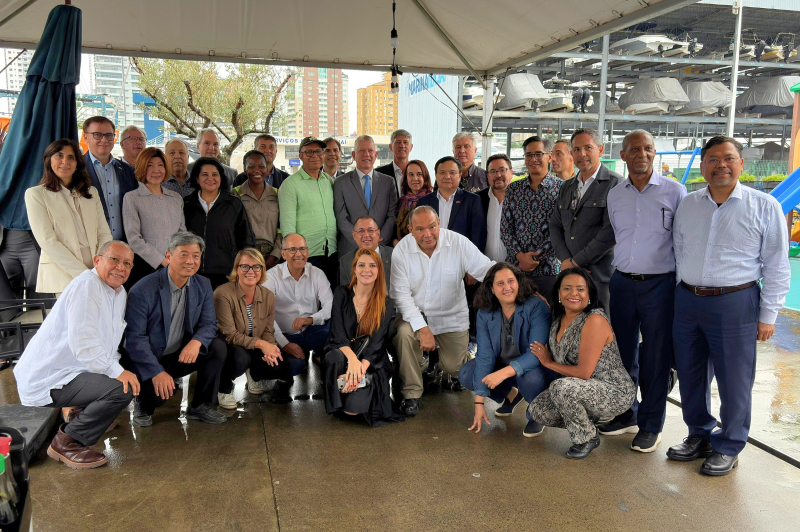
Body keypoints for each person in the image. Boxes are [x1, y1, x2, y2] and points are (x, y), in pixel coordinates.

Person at [668, 136, 790, 476]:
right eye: (713, 159)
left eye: (728, 158)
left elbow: (777, 264)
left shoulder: (764, 205)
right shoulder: (688, 204)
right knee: (690, 374)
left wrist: (768, 315)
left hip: (736, 302)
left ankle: (729, 444)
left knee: (734, 380)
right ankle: (699, 434)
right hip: (688, 299)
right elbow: (679, 251)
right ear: (703, 165)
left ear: (741, 163)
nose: (720, 165)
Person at [13, 241, 138, 469]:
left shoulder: (119, 293)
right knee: (121, 388)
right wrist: (118, 373)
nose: (121, 267)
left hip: (74, 370)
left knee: (123, 374)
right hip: (50, 376)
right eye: (114, 259)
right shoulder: (87, 286)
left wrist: (117, 370)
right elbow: (84, 343)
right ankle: (67, 443)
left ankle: (78, 412)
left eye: (127, 263)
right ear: (97, 260)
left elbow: (107, 345)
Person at [599, 130, 687, 452]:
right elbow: (619, 235)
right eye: (634, 149)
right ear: (623, 155)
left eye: (648, 148)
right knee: (622, 354)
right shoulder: (615, 195)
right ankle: (627, 414)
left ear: (654, 153)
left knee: (655, 356)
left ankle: (651, 425)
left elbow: (683, 240)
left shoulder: (675, 191)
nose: (642, 154)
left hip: (660, 285)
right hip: (622, 283)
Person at [390, 206, 494, 417]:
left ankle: (452, 364)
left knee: (456, 368)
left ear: (439, 223)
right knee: (403, 334)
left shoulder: (458, 242)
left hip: (451, 316)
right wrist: (422, 327)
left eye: (432, 227)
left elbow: (488, 270)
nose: (427, 234)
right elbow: (400, 295)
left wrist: (516, 284)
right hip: (415, 314)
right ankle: (411, 393)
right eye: (420, 229)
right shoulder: (401, 250)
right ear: (410, 230)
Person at [528, 268, 635, 459]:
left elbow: (584, 372)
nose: (573, 293)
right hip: (580, 389)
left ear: (589, 294)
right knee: (538, 410)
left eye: (580, 289)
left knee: (560, 387)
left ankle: (587, 437)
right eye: (567, 288)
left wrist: (548, 362)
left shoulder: (594, 320)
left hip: (613, 390)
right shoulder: (559, 318)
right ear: (559, 293)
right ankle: (588, 420)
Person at [123, 231, 227, 426]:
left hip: (180, 354)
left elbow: (209, 323)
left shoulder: (203, 284)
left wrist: (196, 342)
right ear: (169, 256)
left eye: (196, 255)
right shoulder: (142, 290)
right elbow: (135, 339)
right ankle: (142, 404)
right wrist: (156, 372)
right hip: (150, 358)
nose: (190, 261)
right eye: (183, 254)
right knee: (157, 398)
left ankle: (201, 405)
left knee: (217, 347)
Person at [459, 263, 550, 437]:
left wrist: (502, 373)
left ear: (519, 283)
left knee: (531, 379)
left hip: (531, 366)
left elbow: (536, 354)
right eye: (500, 283)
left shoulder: (536, 306)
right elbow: (485, 356)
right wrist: (479, 403)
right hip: (502, 364)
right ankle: (511, 395)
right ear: (491, 289)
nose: (507, 287)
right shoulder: (485, 312)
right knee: (466, 374)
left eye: (511, 281)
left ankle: (537, 413)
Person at [323, 248, 403, 426]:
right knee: (334, 356)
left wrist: (359, 370)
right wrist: (352, 360)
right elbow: (337, 333)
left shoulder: (386, 303)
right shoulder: (341, 293)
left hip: (371, 359)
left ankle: (356, 395)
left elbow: (377, 343)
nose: (367, 270)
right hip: (344, 351)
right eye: (361, 265)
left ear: (379, 271)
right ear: (354, 269)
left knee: (353, 410)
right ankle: (338, 400)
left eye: (372, 265)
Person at [25, 139, 113, 295]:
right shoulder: (36, 194)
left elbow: (104, 233)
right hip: (63, 273)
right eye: (59, 156)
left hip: (97, 269)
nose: (65, 161)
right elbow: (47, 241)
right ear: (49, 160)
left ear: (77, 163)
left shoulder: (91, 192)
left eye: (71, 157)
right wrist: (85, 275)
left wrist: (99, 267)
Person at [550, 128, 621, 312]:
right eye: (576, 149)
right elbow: (555, 225)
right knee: (572, 325)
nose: (582, 154)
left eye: (588, 148)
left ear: (600, 150)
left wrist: (576, 263)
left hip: (599, 277)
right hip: (570, 276)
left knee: (601, 324)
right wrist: (566, 260)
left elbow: (609, 233)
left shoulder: (615, 184)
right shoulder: (567, 187)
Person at [213, 248, 292, 408]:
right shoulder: (222, 293)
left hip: (254, 343)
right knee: (241, 359)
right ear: (237, 269)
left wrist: (271, 349)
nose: (251, 271)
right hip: (230, 346)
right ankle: (223, 387)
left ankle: (254, 375)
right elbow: (230, 335)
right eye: (245, 266)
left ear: (262, 270)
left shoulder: (268, 295)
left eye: (256, 267)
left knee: (281, 365)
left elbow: (268, 330)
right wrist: (262, 344)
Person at [264, 233, 334, 401]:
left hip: (310, 330)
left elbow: (330, 307)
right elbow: (265, 316)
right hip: (284, 334)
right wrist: (285, 344)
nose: (298, 254)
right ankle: (284, 378)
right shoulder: (271, 277)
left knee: (333, 328)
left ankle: (329, 374)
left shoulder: (317, 274)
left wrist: (311, 319)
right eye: (292, 249)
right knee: (294, 366)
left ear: (308, 252)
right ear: (283, 254)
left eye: (302, 249)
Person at [501, 136, 563, 305]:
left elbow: (562, 229)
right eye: (529, 155)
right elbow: (505, 229)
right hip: (516, 268)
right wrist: (520, 256)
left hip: (549, 269)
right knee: (517, 315)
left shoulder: (563, 188)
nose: (533, 159)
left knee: (550, 315)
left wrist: (535, 258)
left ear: (549, 156)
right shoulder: (513, 189)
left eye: (538, 154)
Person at [183, 157, 255, 289]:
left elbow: (246, 239)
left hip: (226, 274)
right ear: (197, 179)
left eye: (215, 174)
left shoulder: (234, 204)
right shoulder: (186, 204)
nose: (210, 178)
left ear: (221, 178)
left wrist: (243, 268)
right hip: (192, 272)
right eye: (205, 174)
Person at [122, 147, 186, 288]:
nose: (156, 170)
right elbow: (134, 239)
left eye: (160, 165)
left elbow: (182, 234)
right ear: (142, 168)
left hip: (174, 266)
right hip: (145, 266)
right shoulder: (132, 197)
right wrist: (162, 260)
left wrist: (177, 259)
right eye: (149, 165)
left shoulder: (175, 198)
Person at [278, 136, 338, 286]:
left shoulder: (328, 181)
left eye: (318, 151)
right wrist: (295, 256)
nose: (314, 156)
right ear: (300, 156)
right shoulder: (290, 184)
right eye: (309, 152)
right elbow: (287, 226)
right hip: (306, 255)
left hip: (331, 252)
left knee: (330, 296)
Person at [333, 135, 398, 255]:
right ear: (354, 155)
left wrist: (379, 238)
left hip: (381, 246)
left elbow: (392, 215)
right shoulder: (340, 182)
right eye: (361, 150)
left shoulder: (388, 182)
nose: (366, 154)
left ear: (376, 155)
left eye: (370, 150)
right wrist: (360, 240)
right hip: (351, 249)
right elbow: (341, 218)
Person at [82, 116, 137, 241]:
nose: (104, 140)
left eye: (109, 135)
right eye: (97, 135)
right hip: (91, 245)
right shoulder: (76, 170)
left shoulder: (128, 171)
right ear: (86, 137)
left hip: (124, 244)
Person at [417, 156, 486, 252]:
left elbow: (478, 236)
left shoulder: (472, 200)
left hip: (462, 256)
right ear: (436, 175)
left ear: (460, 175)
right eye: (442, 172)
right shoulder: (424, 202)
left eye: (452, 173)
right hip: (431, 256)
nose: (447, 176)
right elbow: (418, 233)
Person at [234, 150, 282, 269]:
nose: (257, 170)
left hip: (271, 256)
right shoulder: (235, 194)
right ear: (245, 170)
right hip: (245, 254)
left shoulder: (277, 194)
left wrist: (275, 255)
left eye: (261, 167)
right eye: (251, 167)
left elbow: (283, 228)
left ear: (266, 169)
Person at [478, 154, 514, 263]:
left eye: (502, 170)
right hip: (484, 266)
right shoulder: (478, 199)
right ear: (487, 175)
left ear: (511, 172)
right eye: (492, 171)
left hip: (514, 266)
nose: (498, 175)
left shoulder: (521, 199)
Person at [339, 216, 392, 289]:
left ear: (378, 234)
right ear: (354, 235)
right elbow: (345, 293)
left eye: (370, 230)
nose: (366, 235)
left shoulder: (394, 255)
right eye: (361, 231)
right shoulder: (345, 261)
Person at [394, 159, 434, 245]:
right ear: (406, 178)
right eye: (411, 174)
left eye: (419, 174)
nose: (415, 178)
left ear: (425, 177)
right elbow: (395, 230)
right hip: (402, 247)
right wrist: (397, 244)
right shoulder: (401, 201)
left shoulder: (433, 199)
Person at [376, 129, 413, 198]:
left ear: (411, 147)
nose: (402, 145)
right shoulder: (378, 174)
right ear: (390, 147)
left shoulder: (419, 174)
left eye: (405, 142)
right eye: (398, 142)